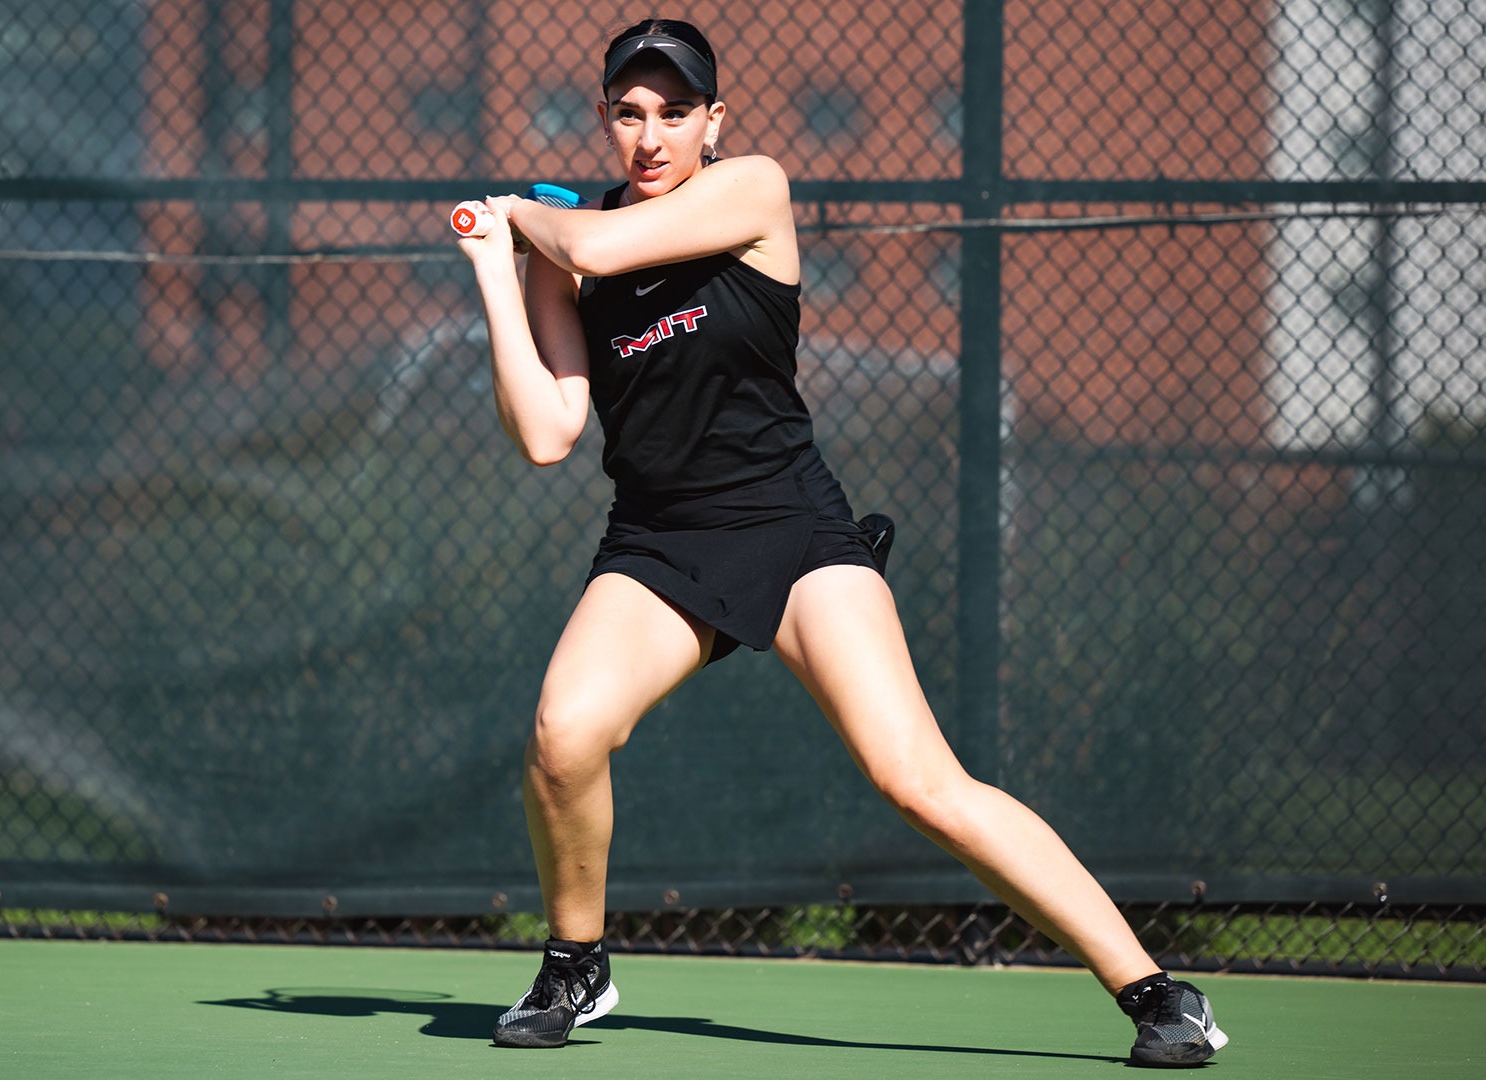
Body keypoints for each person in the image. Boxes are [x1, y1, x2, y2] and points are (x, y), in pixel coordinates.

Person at [454, 18, 1228, 1067]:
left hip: (793, 527)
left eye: (675, 113)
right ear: (604, 119)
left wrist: (523, 215)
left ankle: (1158, 991)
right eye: (629, 114)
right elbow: (547, 434)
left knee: (917, 780)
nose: (651, 135)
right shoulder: (565, 253)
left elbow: (591, 243)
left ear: (714, 120)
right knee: (562, 736)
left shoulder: (751, 189)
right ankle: (576, 965)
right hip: (660, 541)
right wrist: (496, 268)